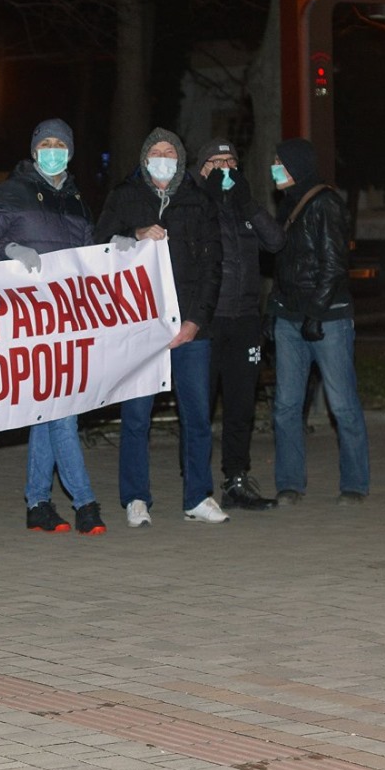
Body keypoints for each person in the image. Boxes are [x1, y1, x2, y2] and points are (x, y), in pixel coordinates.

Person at [0, 118, 106, 535]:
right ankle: (85, 502)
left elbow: (89, 259)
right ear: (33, 150)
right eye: (46, 144)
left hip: (68, 320)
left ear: (71, 152)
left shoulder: (77, 200)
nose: (53, 151)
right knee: (63, 412)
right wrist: (8, 248)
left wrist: (117, 252)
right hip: (27, 320)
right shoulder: (11, 192)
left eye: (60, 144)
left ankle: (38, 503)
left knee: (48, 411)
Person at [96, 129, 225, 525]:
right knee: (136, 416)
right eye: (156, 151)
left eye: (170, 151)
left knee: (197, 415)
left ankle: (198, 496)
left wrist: (196, 321)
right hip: (140, 327)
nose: (163, 157)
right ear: (144, 159)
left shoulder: (198, 200)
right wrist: (133, 235)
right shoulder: (125, 196)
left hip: (189, 328)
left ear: (180, 159)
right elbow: (98, 245)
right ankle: (136, 498)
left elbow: (212, 265)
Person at [268, 138, 371, 504]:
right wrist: (274, 308)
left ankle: (355, 484)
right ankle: (290, 483)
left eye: (280, 162)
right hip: (290, 318)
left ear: (297, 165)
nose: (274, 168)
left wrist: (315, 312)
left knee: (342, 404)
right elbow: (283, 264)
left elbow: (333, 264)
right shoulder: (288, 203)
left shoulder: (325, 203)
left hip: (328, 319)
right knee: (286, 406)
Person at [196, 140, 284, 510]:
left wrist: (246, 203)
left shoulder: (245, 205)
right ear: (203, 169)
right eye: (216, 163)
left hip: (246, 319)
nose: (224, 168)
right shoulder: (195, 205)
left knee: (240, 407)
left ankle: (236, 480)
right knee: (200, 408)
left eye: (230, 161)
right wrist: (207, 196)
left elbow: (276, 241)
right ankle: (197, 488)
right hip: (208, 321)